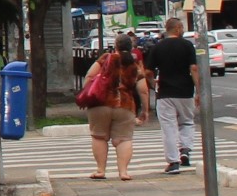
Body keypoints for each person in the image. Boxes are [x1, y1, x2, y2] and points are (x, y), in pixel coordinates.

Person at [82, 33, 150, 181]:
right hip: (125, 105)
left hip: (100, 103)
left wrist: (87, 93)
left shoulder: (106, 58)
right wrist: (145, 110)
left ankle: (100, 170)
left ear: (115, 46)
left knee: (99, 137)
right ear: (131, 47)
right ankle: (123, 172)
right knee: (124, 139)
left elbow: (89, 76)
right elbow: (143, 89)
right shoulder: (134, 64)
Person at [147, 17, 200, 175]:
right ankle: (185, 150)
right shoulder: (187, 45)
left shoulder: (157, 47)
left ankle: (173, 162)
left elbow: (148, 71)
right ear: (177, 28)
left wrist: (153, 84)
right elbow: (194, 68)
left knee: (169, 127)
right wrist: (198, 90)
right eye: (182, 27)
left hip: (165, 92)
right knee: (187, 122)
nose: (183, 30)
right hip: (185, 91)